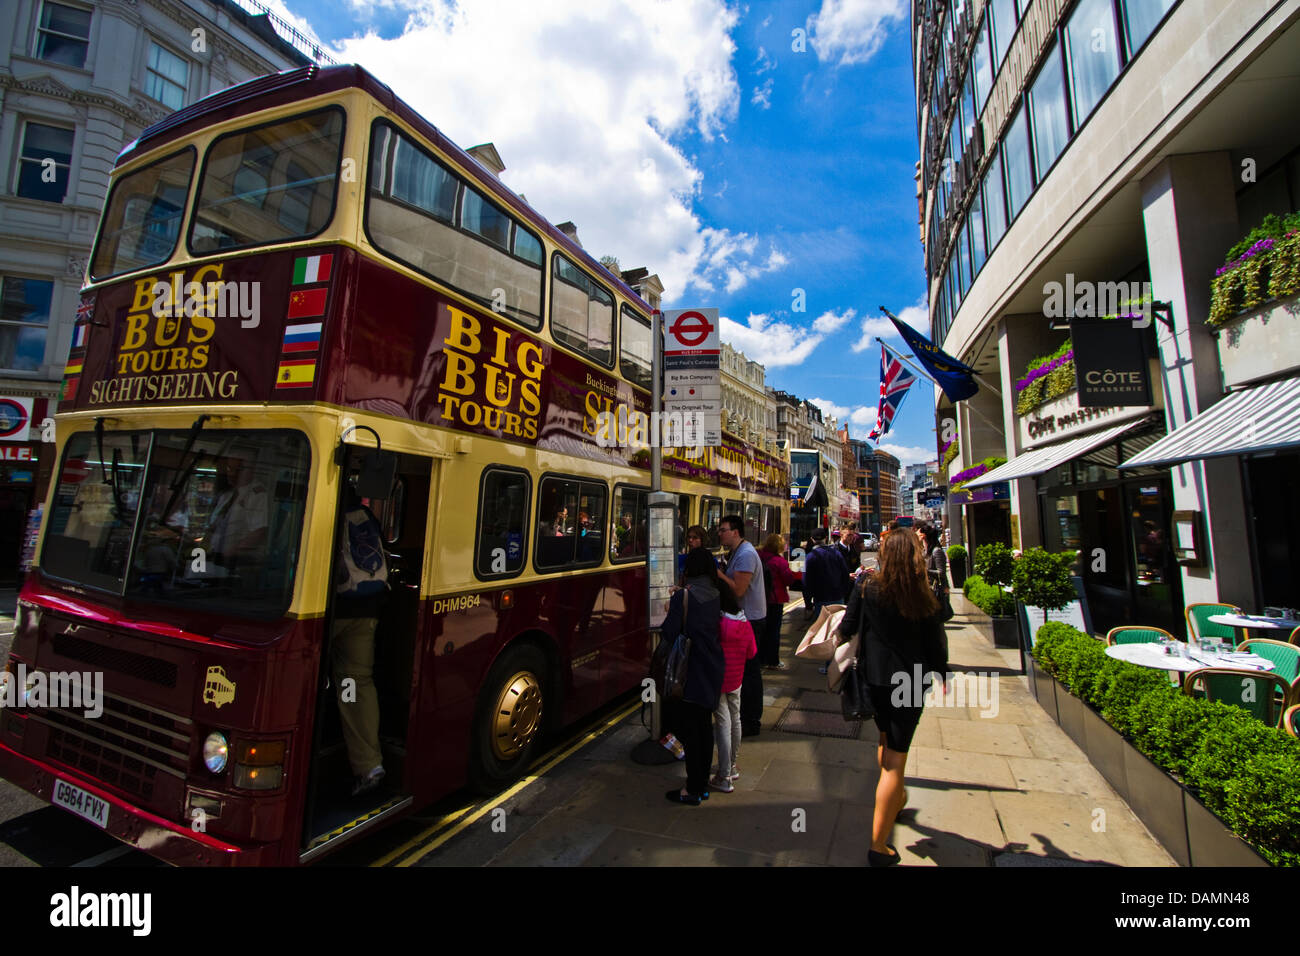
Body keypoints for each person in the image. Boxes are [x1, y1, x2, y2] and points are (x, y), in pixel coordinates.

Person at [837, 529, 947, 866]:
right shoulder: (923, 590)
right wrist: (941, 673)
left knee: (885, 743)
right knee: (896, 760)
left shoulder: (867, 586)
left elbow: (847, 626)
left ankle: (894, 801)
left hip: (874, 678)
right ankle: (878, 846)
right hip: (911, 680)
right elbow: (936, 641)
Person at [332, 485, 390, 797]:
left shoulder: (326, 509)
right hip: (367, 610)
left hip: (332, 611)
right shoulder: (364, 514)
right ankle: (369, 765)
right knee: (355, 682)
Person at [661, 547, 725, 805]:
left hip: (690, 671)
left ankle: (692, 789)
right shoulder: (717, 594)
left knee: (691, 732)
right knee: (704, 729)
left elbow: (669, 633)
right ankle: (702, 784)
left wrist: (671, 606)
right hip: (713, 667)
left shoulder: (683, 598)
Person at [716, 514, 766, 738]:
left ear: (735, 532)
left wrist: (716, 574)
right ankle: (747, 718)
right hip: (746, 618)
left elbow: (738, 590)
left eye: (723, 529)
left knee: (750, 673)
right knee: (747, 673)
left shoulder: (745, 555)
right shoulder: (738, 551)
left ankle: (751, 721)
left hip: (751, 621)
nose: (720, 533)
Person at [711, 579, 754, 793]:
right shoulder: (743, 621)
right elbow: (752, 652)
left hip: (719, 678)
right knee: (735, 718)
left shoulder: (717, 623)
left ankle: (724, 775)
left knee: (722, 723)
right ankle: (733, 766)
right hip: (737, 678)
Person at [206, 455, 268, 570]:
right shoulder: (226, 495)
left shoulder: (257, 494)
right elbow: (215, 525)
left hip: (235, 562)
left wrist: (229, 553)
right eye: (229, 469)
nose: (232, 474)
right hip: (214, 555)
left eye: (238, 470)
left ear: (251, 469)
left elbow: (259, 532)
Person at [758, 533, 795, 670]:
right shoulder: (779, 562)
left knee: (761, 630)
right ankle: (773, 661)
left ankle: (760, 660)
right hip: (775, 599)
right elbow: (788, 580)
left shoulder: (759, 556)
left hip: (760, 599)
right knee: (773, 632)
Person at [804, 526, 852, 612]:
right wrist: (842, 593)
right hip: (838, 597)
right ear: (826, 538)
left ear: (812, 539)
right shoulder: (837, 554)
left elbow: (806, 582)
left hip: (820, 598)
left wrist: (808, 604)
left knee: (823, 624)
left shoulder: (810, 557)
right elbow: (845, 575)